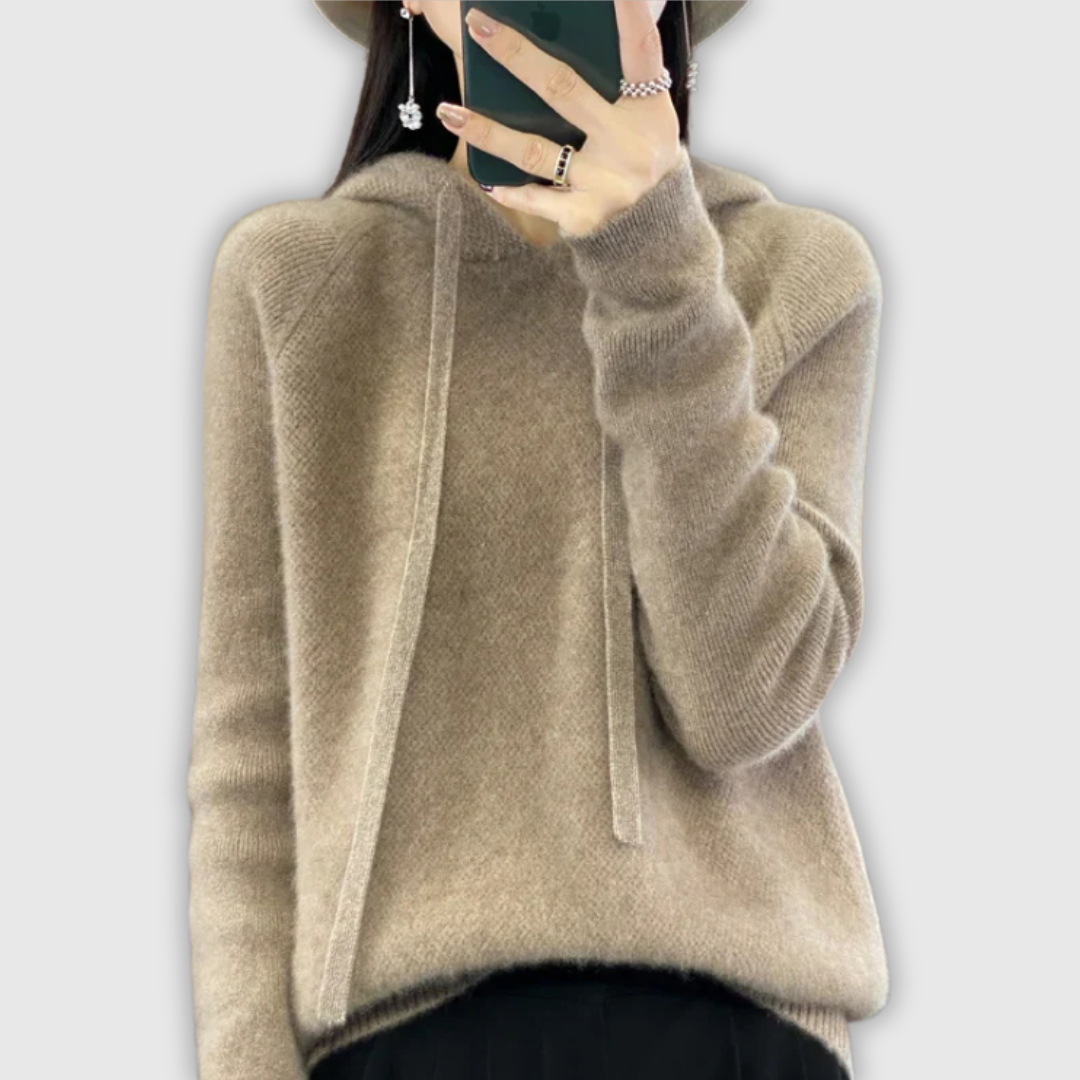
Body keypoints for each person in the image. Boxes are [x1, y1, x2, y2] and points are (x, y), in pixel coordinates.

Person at [185, 2, 889, 1078]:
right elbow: (249, 751)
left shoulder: (797, 271)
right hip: (407, 1042)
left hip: (735, 1037)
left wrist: (654, 260)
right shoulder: (298, 277)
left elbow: (743, 703)